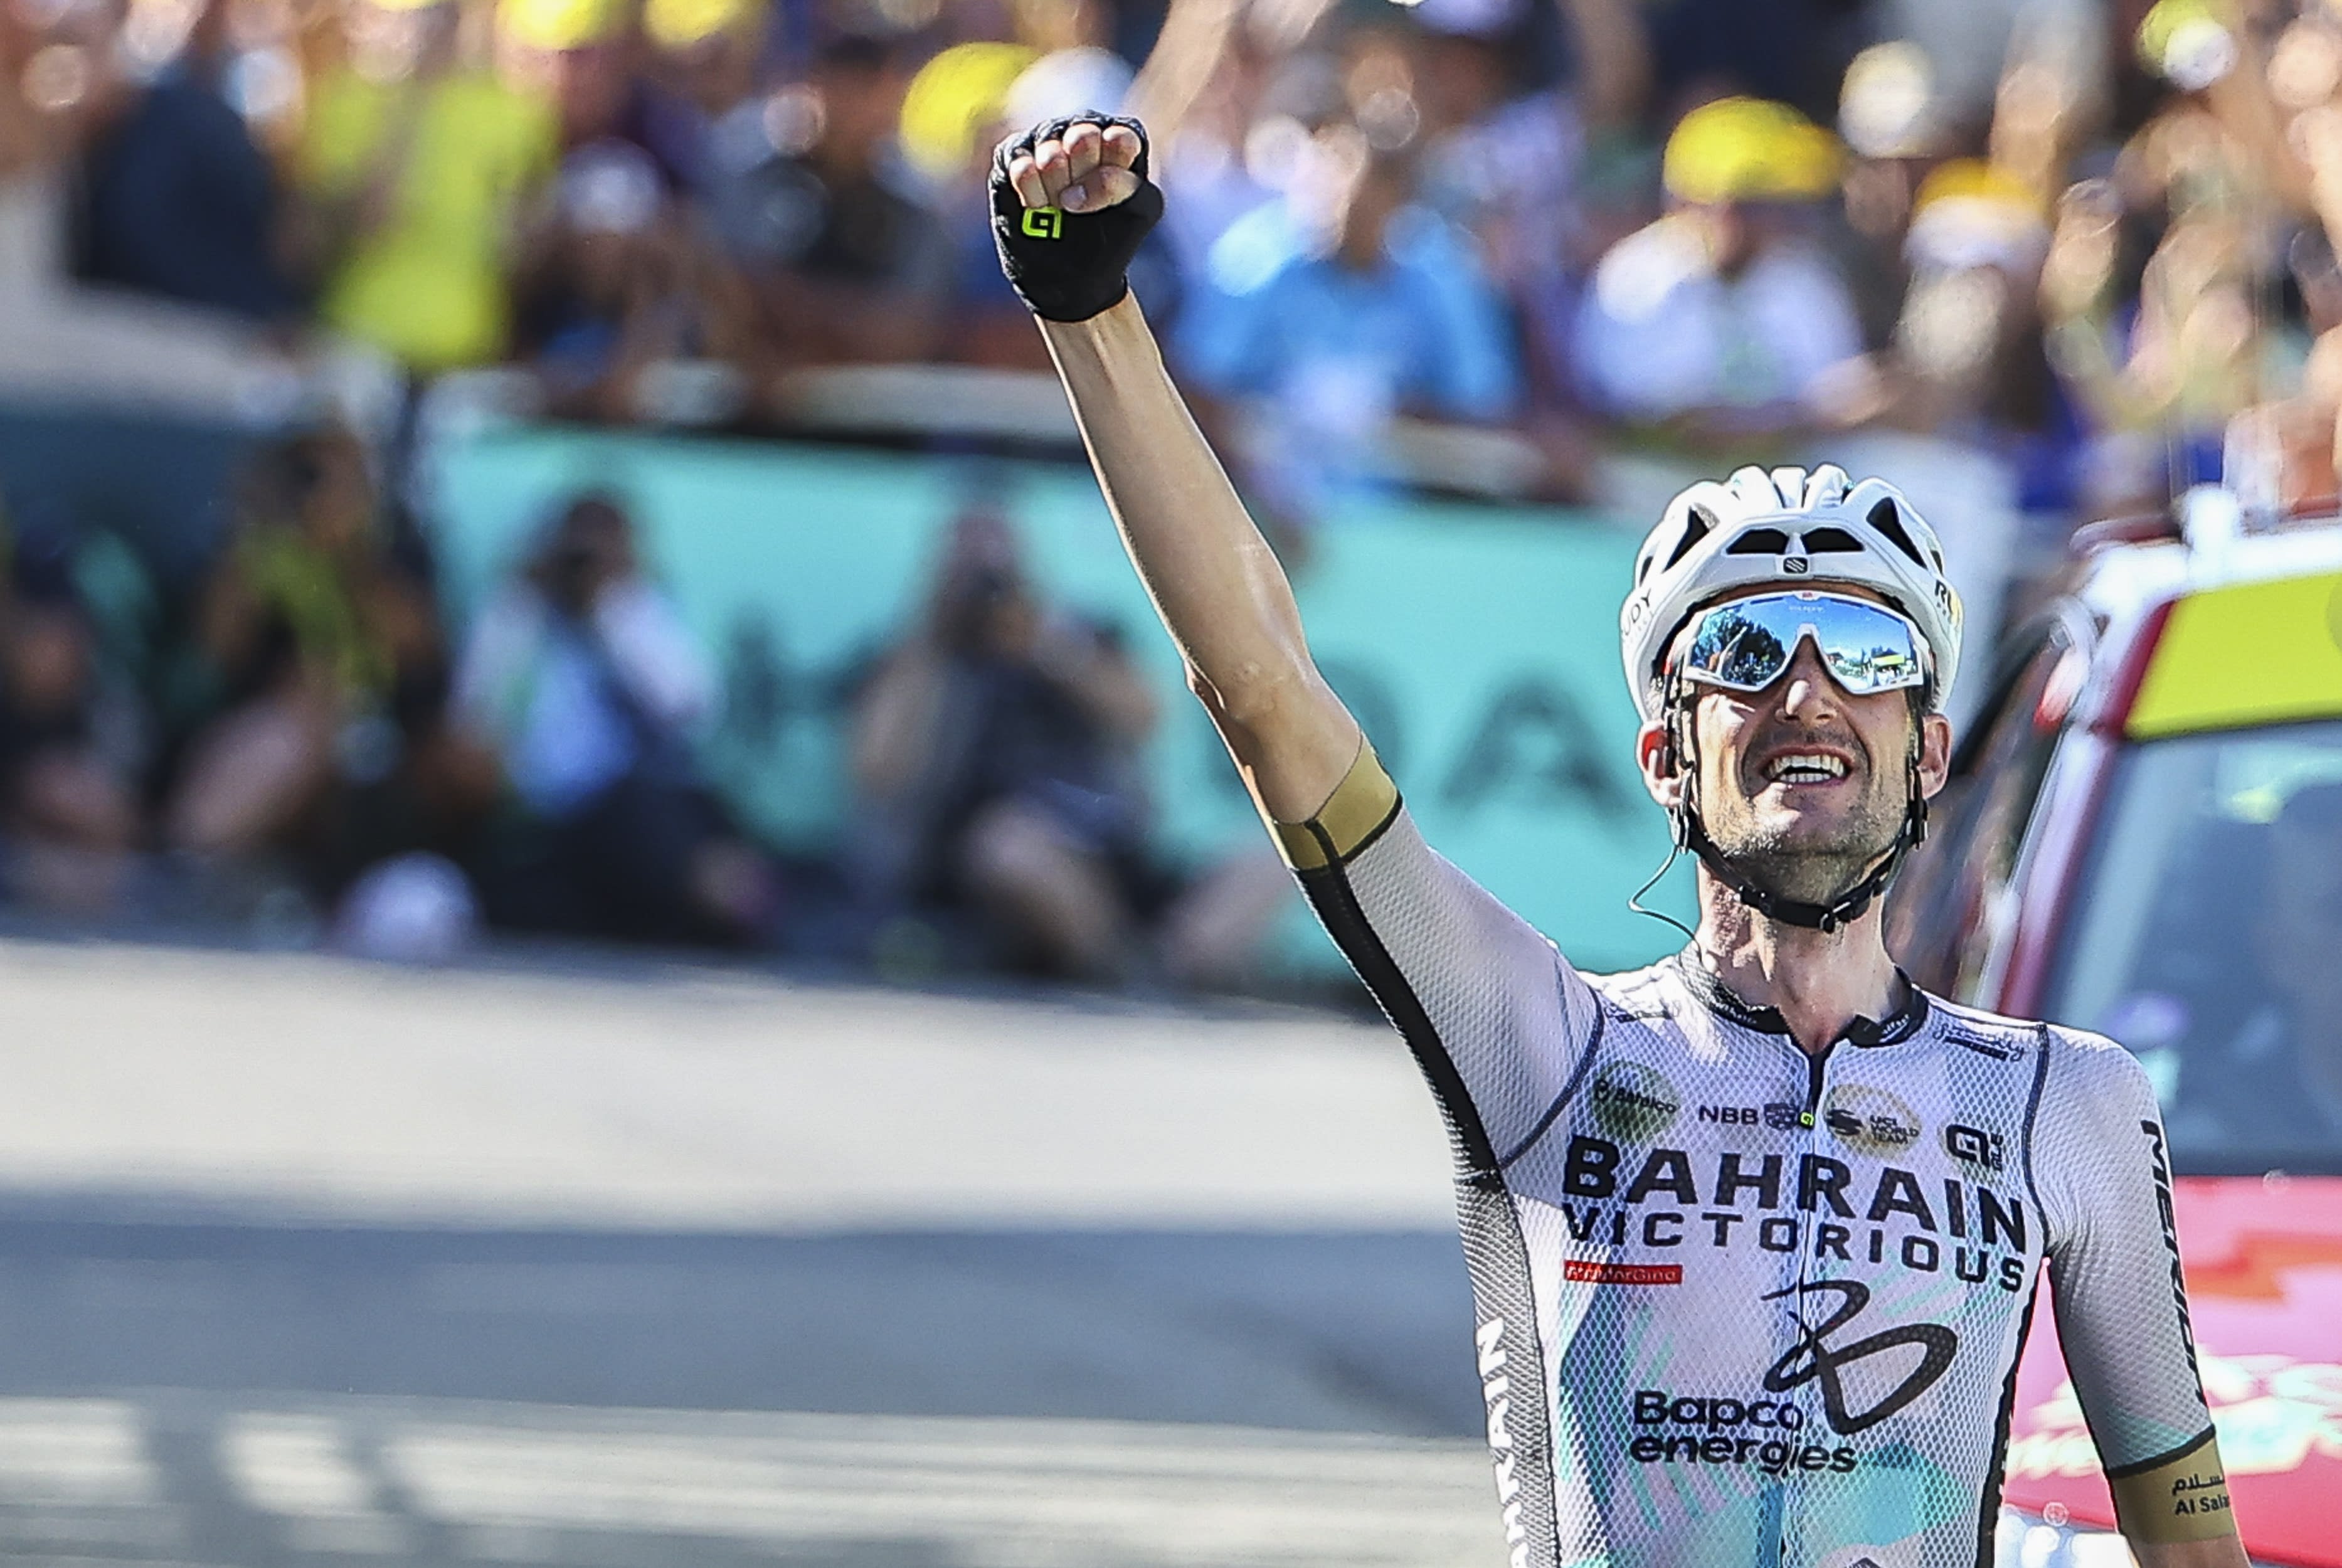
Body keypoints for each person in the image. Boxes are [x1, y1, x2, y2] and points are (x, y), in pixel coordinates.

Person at [986, 113, 2247, 1565]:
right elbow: (1265, 696)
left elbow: (2191, 1547)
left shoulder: (2068, 1103)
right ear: (1665, 755)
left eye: (1858, 645)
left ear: (1931, 755)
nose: (1804, 684)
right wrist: (1090, 311)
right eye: (1747, 649)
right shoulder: (1546, 1044)